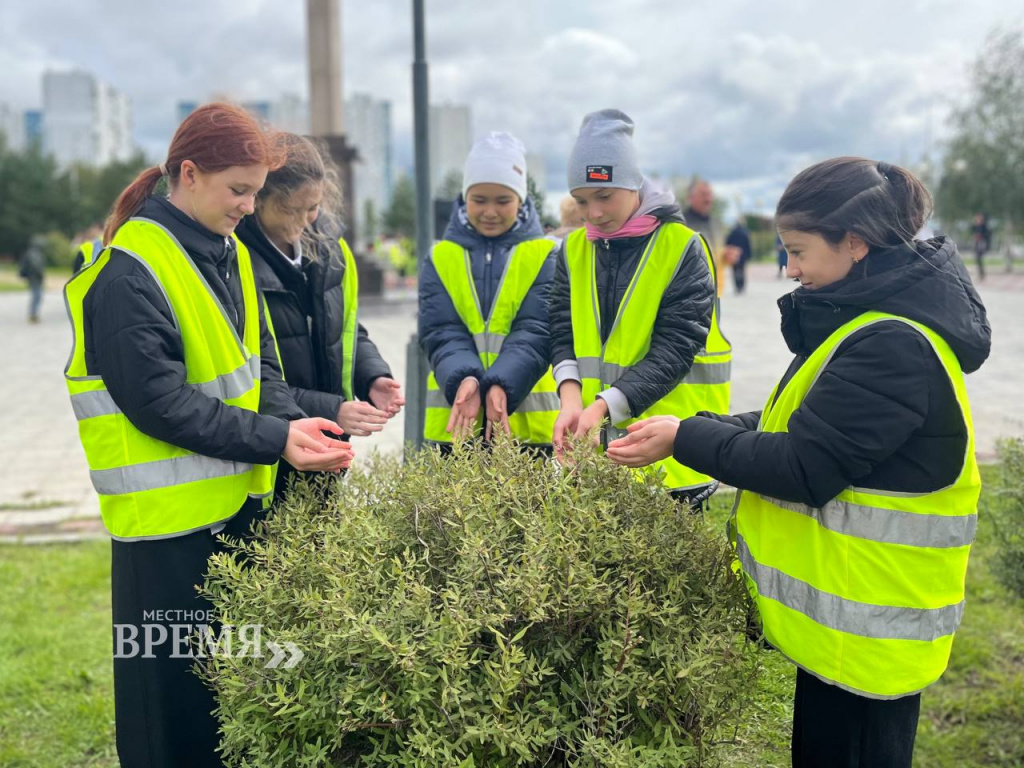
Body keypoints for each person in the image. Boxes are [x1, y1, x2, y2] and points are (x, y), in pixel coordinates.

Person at [608, 157, 991, 767]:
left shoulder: (891, 344)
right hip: (851, 628)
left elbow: (802, 465)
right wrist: (692, 429)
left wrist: (687, 440)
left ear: (856, 244)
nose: (789, 269)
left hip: (870, 641)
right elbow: (799, 424)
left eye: (798, 251)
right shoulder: (869, 325)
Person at [63, 103, 354, 768]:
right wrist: (273, 439)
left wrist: (293, 421)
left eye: (256, 190)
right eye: (239, 190)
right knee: (171, 724)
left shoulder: (224, 253)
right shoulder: (129, 268)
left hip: (228, 521)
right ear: (188, 174)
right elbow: (158, 404)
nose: (251, 207)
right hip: (164, 540)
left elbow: (257, 371)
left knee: (223, 707)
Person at [550, 108, 730, 507]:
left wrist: (601, 408)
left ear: (633, 184)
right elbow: (561, 331)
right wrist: (570, 398)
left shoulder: (681, 247)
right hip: (593, 453)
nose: (593, 213)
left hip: (668, 461)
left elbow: (677, 348)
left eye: (604, 195)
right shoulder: (571, 250)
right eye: (581, 200)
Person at [235, 132, 403, 498]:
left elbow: (344, 329)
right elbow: (252, 373)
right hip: (271, 450)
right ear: (258, 199)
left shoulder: (332, 250)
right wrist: (333, 408)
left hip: (325, 443)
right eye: (290, 210)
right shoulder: (235, 260)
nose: (304, 221)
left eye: (311, 208)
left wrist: (372, 375)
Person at [418, 131, 558, 450]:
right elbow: (440, 331)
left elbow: (538, 331)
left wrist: (501, 384)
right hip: (456, 424)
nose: (490, 212)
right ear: (464, 197)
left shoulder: (546, 254)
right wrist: (464, 378)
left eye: (503, 200)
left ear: (521, 200)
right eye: (479, 200)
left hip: (526, 427)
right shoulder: (441, 256)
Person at [683, 178, 725, 297]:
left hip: (716, 292)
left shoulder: (716, 223)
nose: (708, 199)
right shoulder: (682, 224)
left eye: (710, 194)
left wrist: (725, 257)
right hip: (691, 294)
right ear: (690, 198)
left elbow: (715, 255)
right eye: (703, 195)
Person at [18, 234, 46, 322]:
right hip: (35, 278)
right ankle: (33, 314)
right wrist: (41, 276)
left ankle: (33, 313)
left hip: (32, 278)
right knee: (37, 296)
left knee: (36, 295)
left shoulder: (31, 253)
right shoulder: (35, 254)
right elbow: (36, 267)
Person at [725, 218, 753, 295]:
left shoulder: (732, 233)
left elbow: (727, 243)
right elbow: (748, 245)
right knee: (742, 271)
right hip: (743, 255)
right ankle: (742, 286)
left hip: (733, 254)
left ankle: (737, 286)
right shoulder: (745, 233)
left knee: (735, 271)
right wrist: (749, 255)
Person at [971, 212, 990, 280]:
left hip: (981, 243)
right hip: (976, 243)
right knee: (977, 259)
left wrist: (981, 236)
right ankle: (980, 274)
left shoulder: (984, 226)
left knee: (979, 258)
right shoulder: (975, 226)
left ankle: (982, 274)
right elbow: (973, 232)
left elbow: (987, 235)